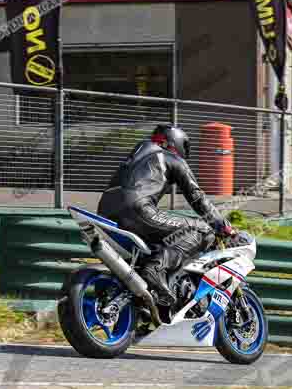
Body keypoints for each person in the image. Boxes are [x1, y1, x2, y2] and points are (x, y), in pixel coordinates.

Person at [97, 125, 235, 306]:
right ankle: (156, 269)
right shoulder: (170, 157)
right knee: (202, 229)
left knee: (157, 244)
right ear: (175, 142)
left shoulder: (138, 153)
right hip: (137, 209)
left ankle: (144, 297)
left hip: (105, 210)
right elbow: (198, 198)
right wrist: (222, 225)